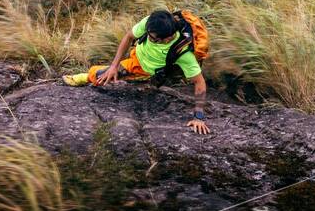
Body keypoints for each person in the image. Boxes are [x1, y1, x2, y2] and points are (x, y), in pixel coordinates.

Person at [62, 9, 211, 134]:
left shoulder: (183, 54)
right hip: (137, 56)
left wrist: (198, 116)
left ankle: (87, 77)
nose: (149, 36)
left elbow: (199, 83)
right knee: (109, 72)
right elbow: (129, 37)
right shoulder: (151, 24)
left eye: (153, 39)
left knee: (102, 76)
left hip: (143, 69)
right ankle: (96, 75)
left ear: (167, 39)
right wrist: (114, 66)